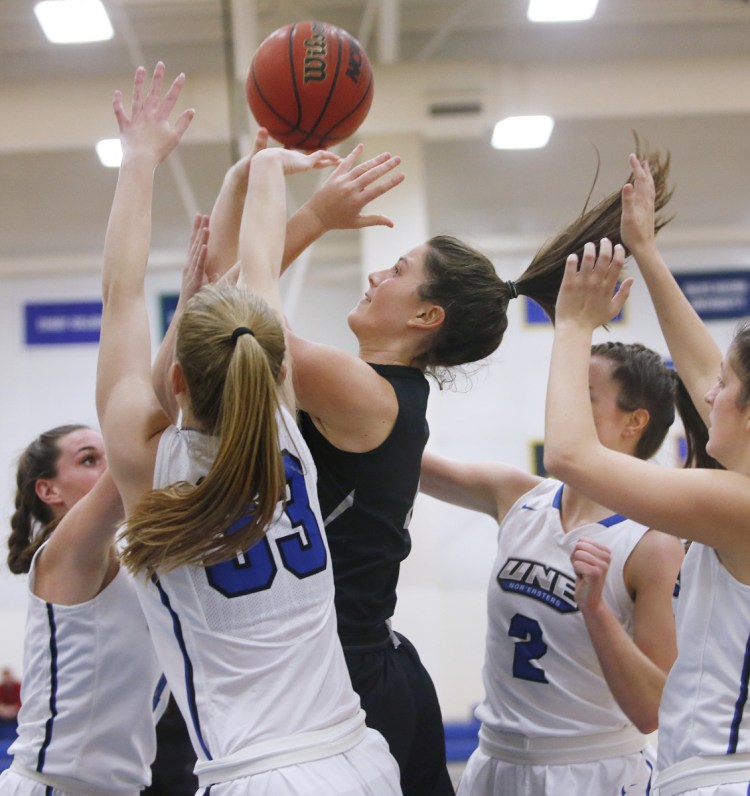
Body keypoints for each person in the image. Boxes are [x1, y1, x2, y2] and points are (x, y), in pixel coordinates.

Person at [198, 135, 674, 795]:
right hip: (353, 674)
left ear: (427, 314)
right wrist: (244, 181)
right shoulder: (372, 392)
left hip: (352, 681)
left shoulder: (367, 393)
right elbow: (226, 304)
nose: (375, 275)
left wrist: (293, 203)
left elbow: (245, 318)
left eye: (395, 271)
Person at [96, 61, 401, 793]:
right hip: (358, 755)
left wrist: (148, 162)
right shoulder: (284, 425)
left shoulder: (144, 460)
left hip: (259, 774)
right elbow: (258, 266)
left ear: (176, 381)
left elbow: (122, 299)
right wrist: (262, 170)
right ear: (270, 366)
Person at [543, 153, 750, 796]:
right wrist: (647, 253)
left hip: (724, 774)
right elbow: (703, 365)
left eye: (726, 389)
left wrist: (575, 326)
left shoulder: (737, 504)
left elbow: (569, 456)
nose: (706, 396)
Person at [420, 334, 709, 794]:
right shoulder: (518, 494)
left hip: (590, 771)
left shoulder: (651, 543)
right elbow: (401, 459)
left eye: (586, 395)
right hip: (495, 760)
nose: (564, 402)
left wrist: (596, 612)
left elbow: (653, 708)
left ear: (634, 421)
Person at [0, 425, 166, 794]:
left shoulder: (134, 561)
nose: (110, 465)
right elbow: (134, 460)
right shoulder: (66, 554)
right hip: (55, 785)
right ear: (49, 490)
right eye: (90, 459)